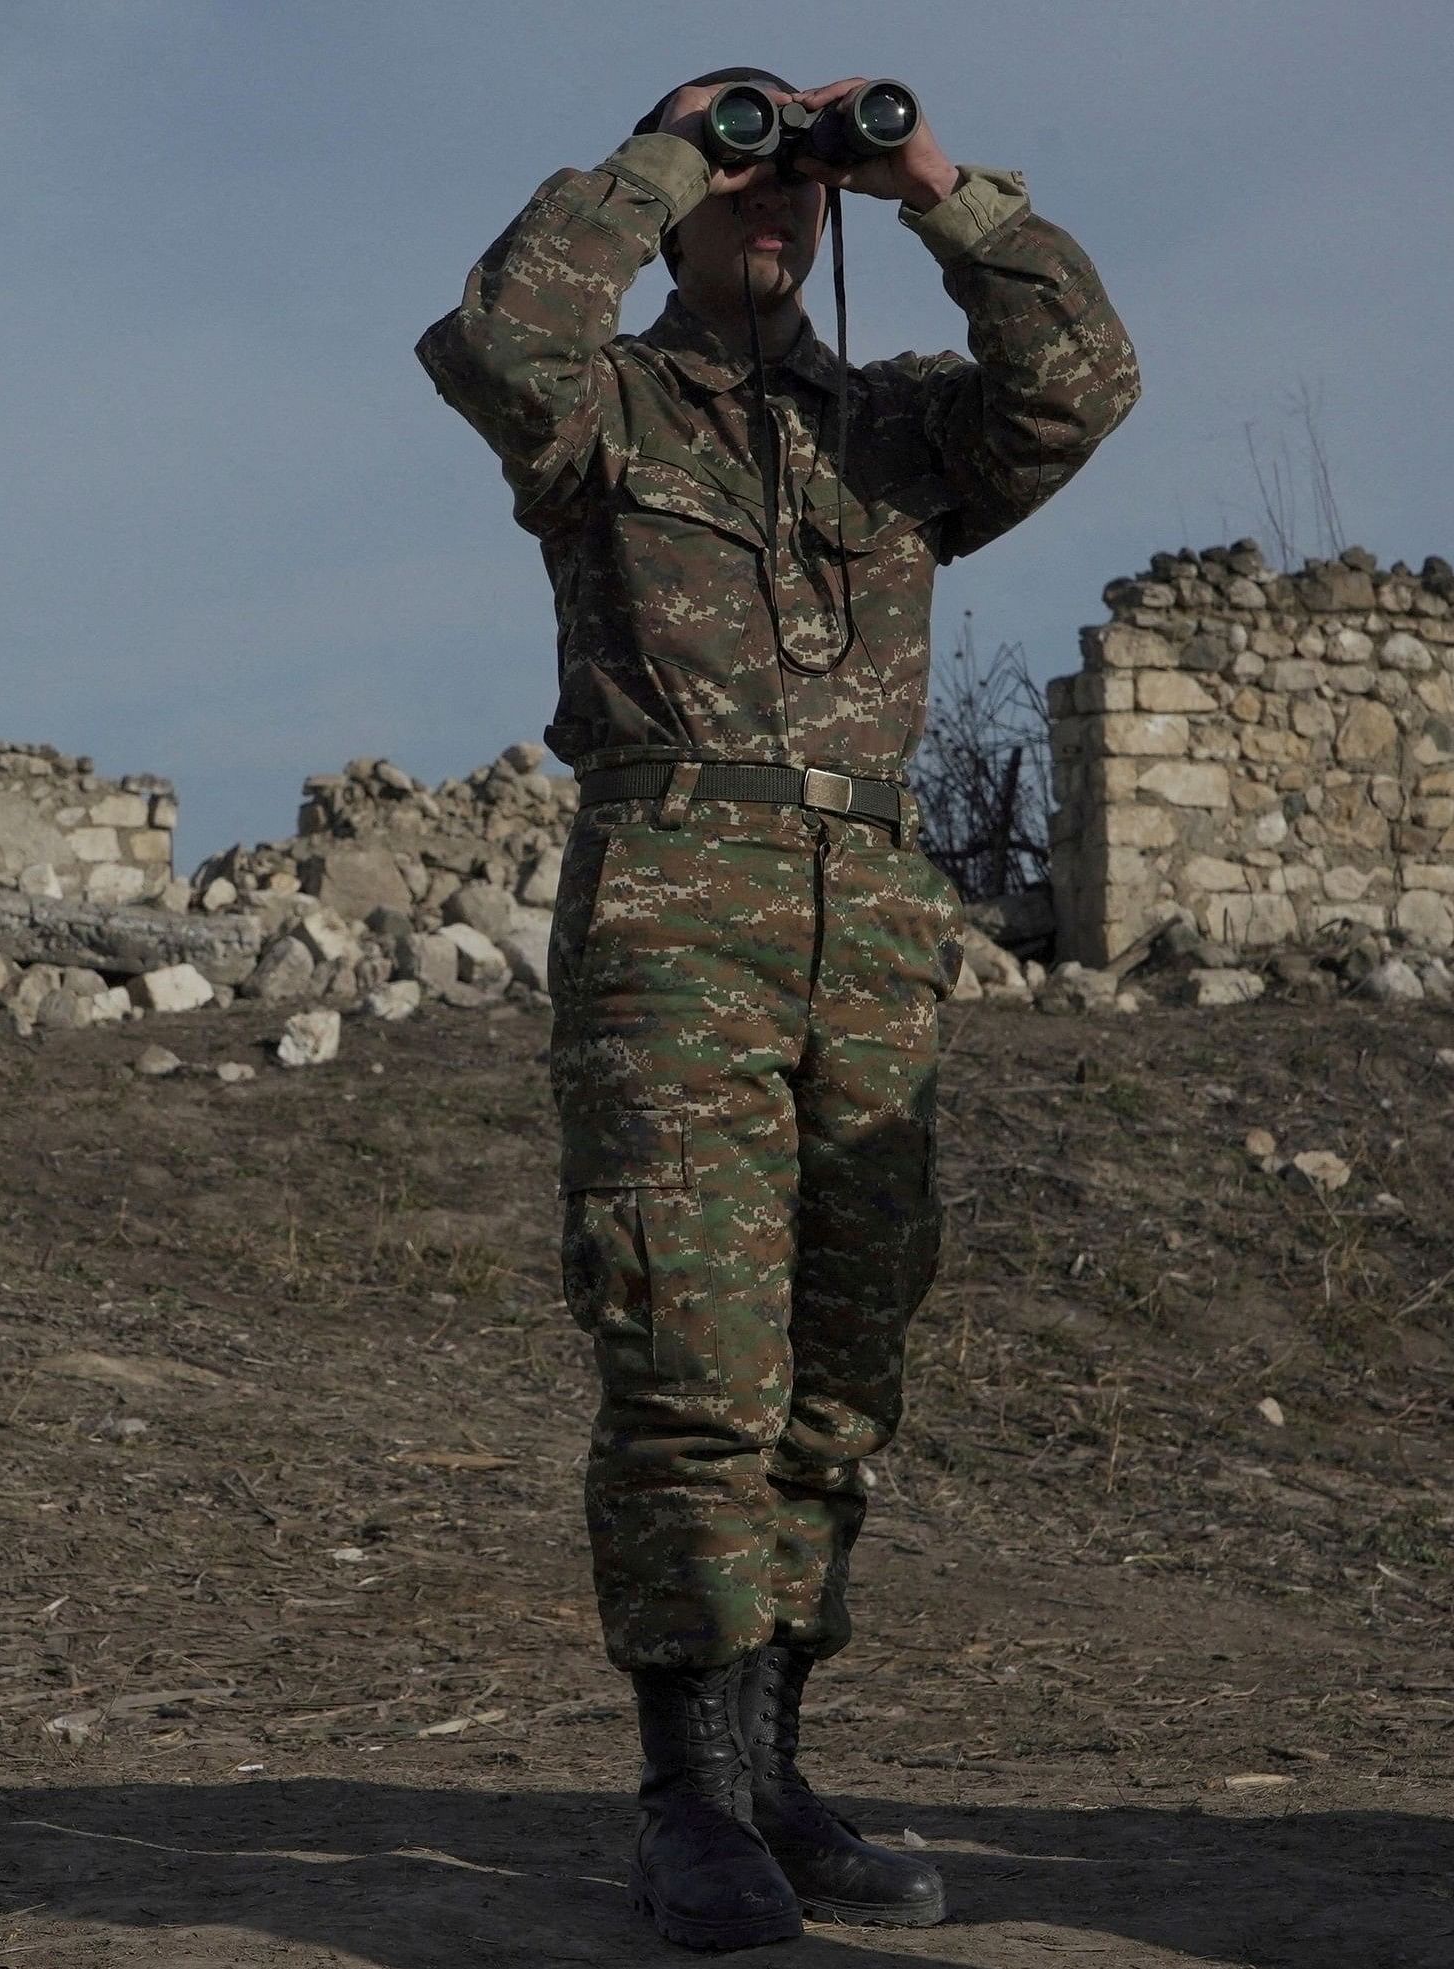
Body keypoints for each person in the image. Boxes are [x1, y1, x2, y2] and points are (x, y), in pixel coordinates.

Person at [416, 67, 1137, 1948]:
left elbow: (1082, 384)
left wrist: (928, 184)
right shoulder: (605, 408)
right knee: (690, 1360)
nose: (770, 201)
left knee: (842, 1372)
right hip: (674, 918)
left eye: (787, 182)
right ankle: (690, 1798)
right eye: (745, 176)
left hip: (873, 934)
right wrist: (671, 147)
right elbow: (497, 341)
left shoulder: (894, 432)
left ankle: (777, 1765)